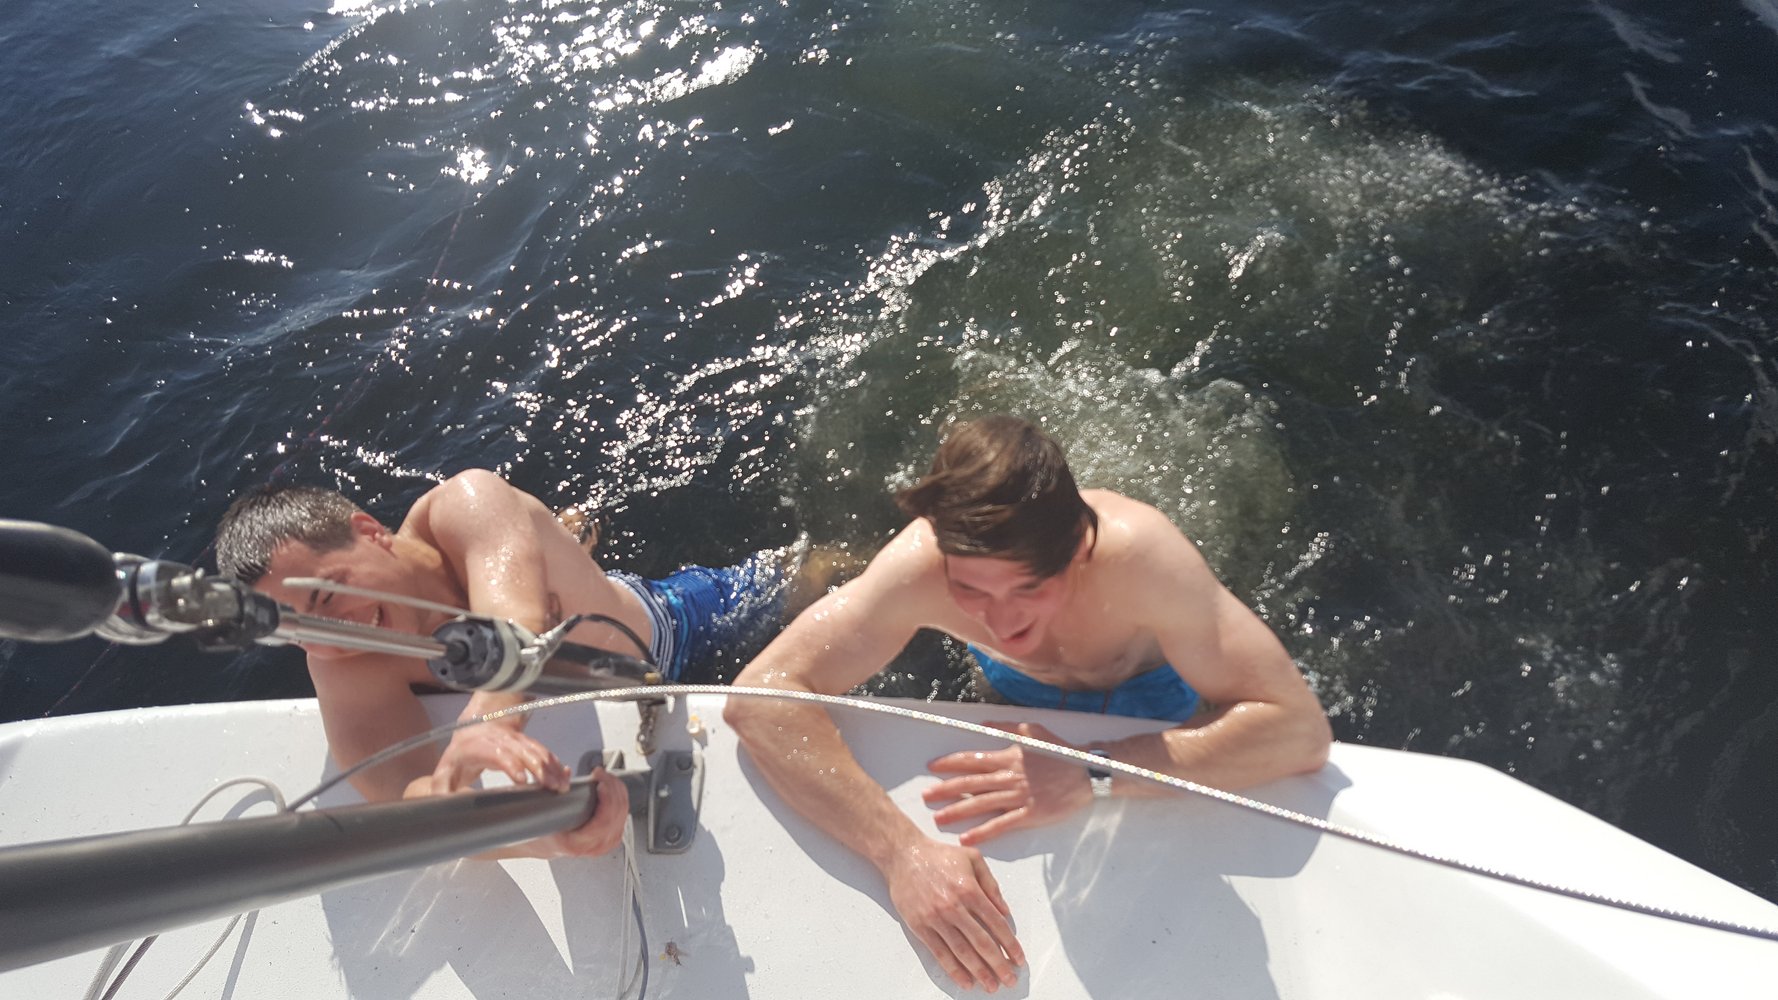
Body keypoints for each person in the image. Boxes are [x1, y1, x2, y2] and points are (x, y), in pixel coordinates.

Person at [725, 415, 1333, 992]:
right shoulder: (920, 567)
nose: (1001, 621)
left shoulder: (1143, 561)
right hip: (1013, 686)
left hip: (1147, 687)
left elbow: (1299, 732)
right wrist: (901, 853)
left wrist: (1095, 771)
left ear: (1079, 550)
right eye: (969, 590)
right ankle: (830, 563)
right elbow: (759, 698)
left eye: (1028, 587)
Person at [215, 468, 801, 860]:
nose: (334, 633)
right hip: (578, 681)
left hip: (671, 630)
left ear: (370, 533)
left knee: (802, 575)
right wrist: (546, 838)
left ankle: (554, 542)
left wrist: (482, 728)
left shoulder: (466, 501)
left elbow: (515, 630)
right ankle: (555, 543)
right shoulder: (340, 663)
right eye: (299, 632)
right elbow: (408, 804)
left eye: (326, 595)